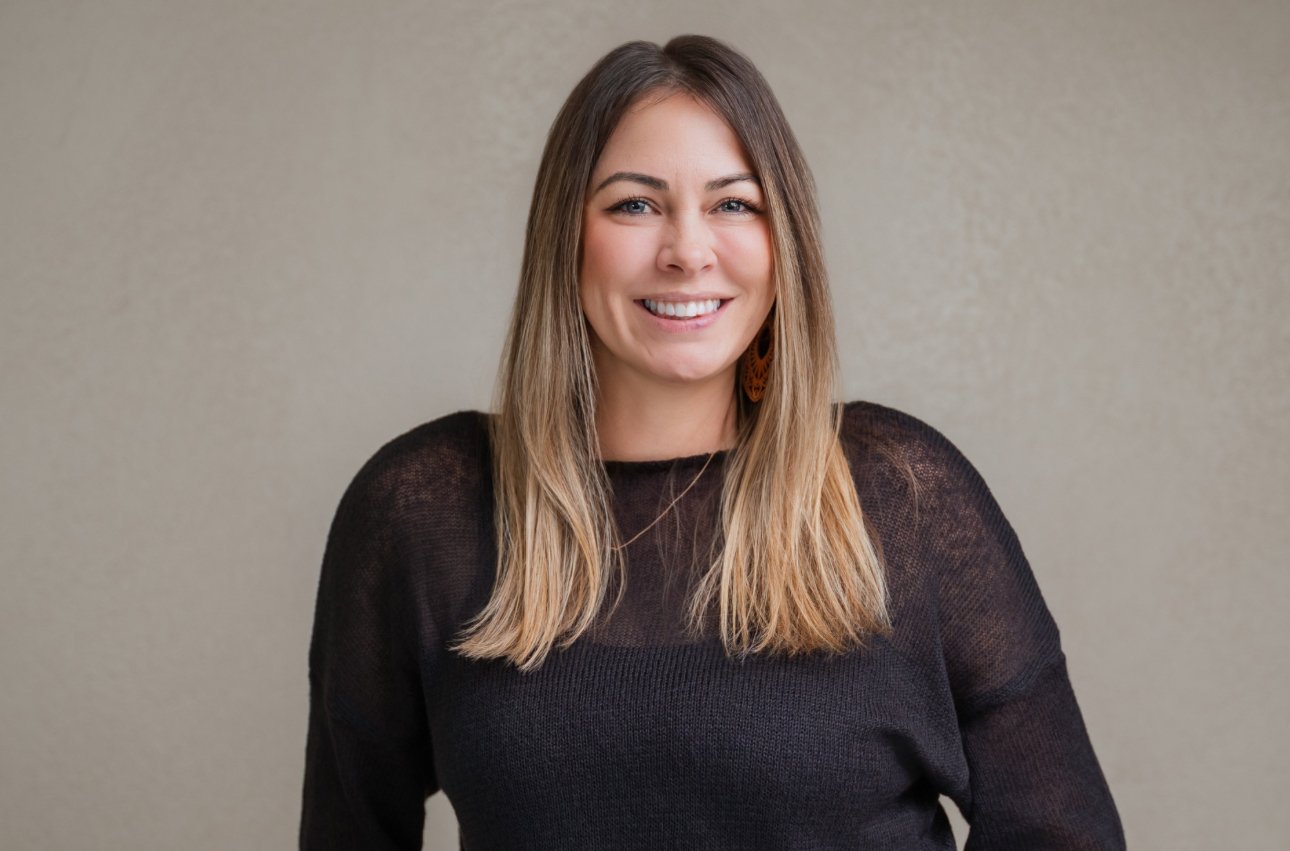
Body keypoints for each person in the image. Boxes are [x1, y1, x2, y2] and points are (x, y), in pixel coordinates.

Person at [300, 35, 1125, 850]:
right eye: (635, 203)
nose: (688, 251)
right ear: (566, 235)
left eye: (735, 204)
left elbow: (1065, 833)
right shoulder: (422, 515)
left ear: (783, 243)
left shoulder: (903, 497)